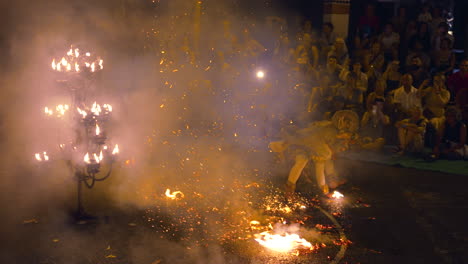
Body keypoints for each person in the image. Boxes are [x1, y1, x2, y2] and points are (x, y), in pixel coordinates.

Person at [270, 110, 359, 195]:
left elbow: (331, 144)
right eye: (345, 122)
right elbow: (319, 140)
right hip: (304, 143)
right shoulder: (329, 131)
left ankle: (323, 187)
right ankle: (291, 189)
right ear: (340, 121)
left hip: (306, 143)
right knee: (306, 162)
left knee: (316, 161)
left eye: (348, 123)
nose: (347, 125)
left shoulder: (331, 130)